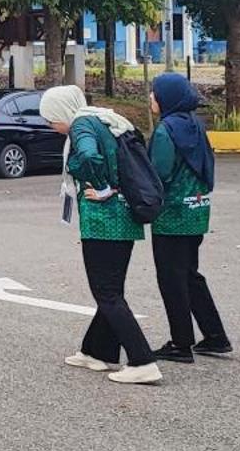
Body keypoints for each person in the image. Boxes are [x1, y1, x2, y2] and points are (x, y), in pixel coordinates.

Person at [41, 85, 162, 385]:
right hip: (124, 216)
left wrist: (96, 182)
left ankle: (142, 360)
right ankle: (98, 351)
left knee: (106, 292)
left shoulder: (81, 126)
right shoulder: (101, 119)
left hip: (104, 221)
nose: (50, 125)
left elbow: (90, 159)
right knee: (111, 290)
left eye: (50, 118)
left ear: (62, 112)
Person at [148, 73, 231, 362]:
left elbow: (158, 173)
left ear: (166, 98)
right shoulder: (195, 125)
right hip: (196, 211)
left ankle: (181, 343)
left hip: (171, 215)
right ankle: (215, 336)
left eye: (154, 93)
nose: (151, 98)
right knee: (190, 274)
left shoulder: (165, 130)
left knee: (171, 278)